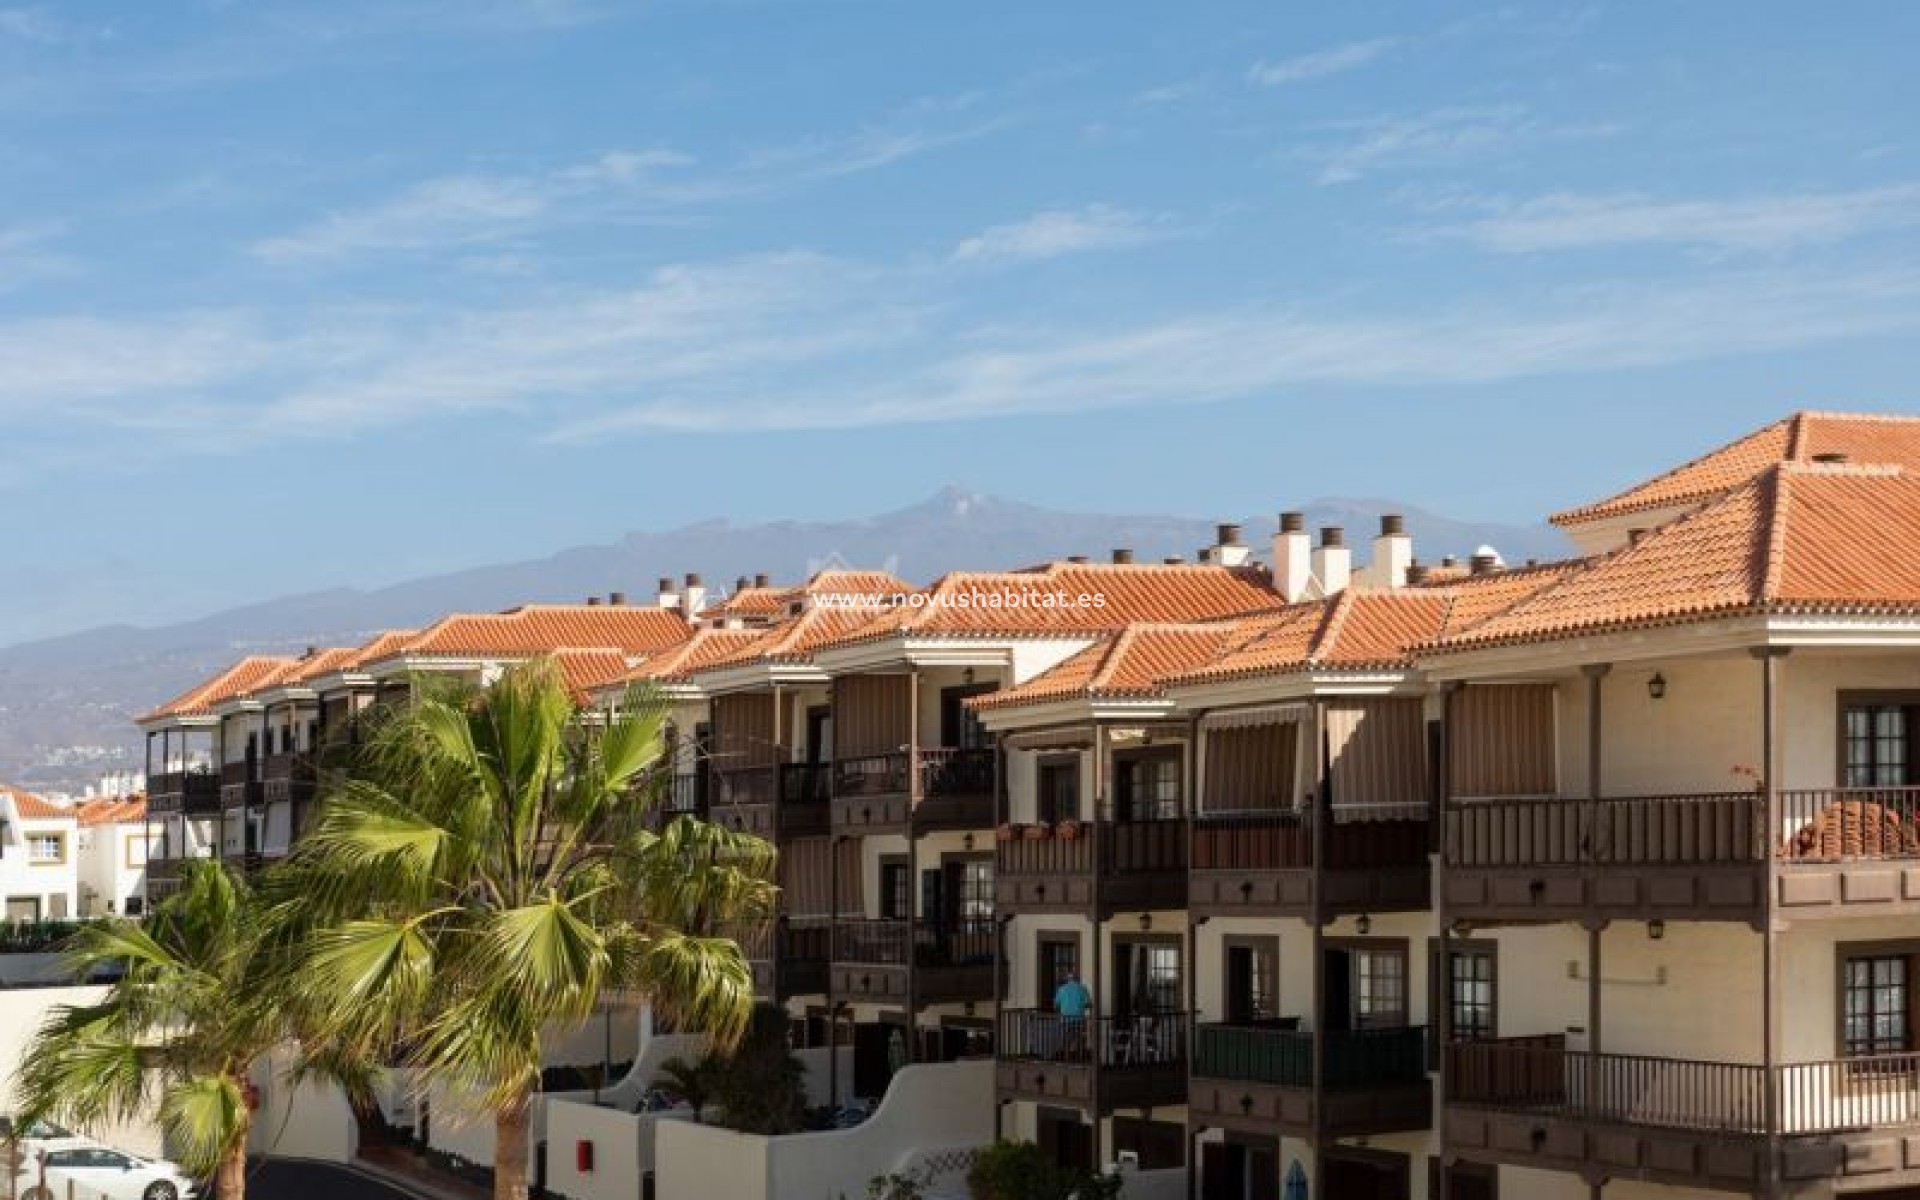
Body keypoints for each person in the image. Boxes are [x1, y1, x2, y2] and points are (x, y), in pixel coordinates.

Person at [1052, 971, 1093, 1059]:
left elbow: (1056, 1005)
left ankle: (1066, 1058)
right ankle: (1078, 1057)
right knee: (1078, 1038)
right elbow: (1089, 1004)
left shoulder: (1061, 989)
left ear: (1067, 979)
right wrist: (1080, 1006)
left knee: (1065, 1039)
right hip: (1078, 1019)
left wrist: (1064, 1007)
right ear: (1077, 979)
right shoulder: (1082, 988)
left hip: (1065, 1019)